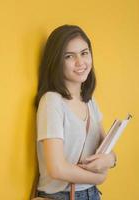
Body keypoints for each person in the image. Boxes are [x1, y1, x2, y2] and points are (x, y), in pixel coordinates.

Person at [34, 25, 117, 200]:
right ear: (56, 61)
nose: (80, 62)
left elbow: (106, 150)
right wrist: (99, 177)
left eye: (84, 53)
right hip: (61, 195)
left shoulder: (90, 102)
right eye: (69, 56)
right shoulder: (52, 102)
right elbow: (57, 168)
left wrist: (111, 160)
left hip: (92, 194)